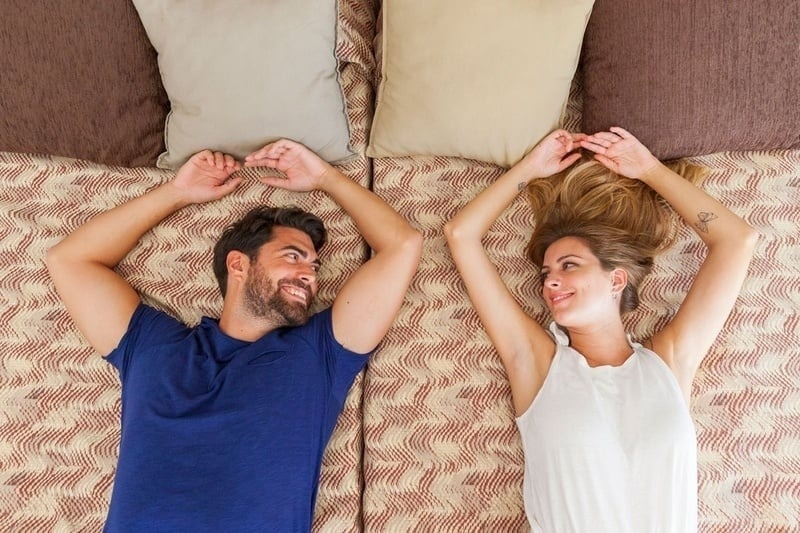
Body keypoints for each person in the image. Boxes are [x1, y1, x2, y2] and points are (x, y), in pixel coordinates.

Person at [46, 139, 422, 532]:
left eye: (315, 265)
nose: (311, 275)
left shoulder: (319, 355)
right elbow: (70, 260)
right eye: (293, 256)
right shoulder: (153, 348)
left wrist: (327, 179)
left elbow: (403, 245)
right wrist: (177, 192)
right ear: (238, 264)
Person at [444, 127, 757, 532]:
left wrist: (648, 169)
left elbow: (738, 240)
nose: (549, 282)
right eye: (547, 273)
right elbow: (461, 235)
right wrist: (530, 169)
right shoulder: (538, 364)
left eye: (568, 265)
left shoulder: (669, 362)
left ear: (617, 280)